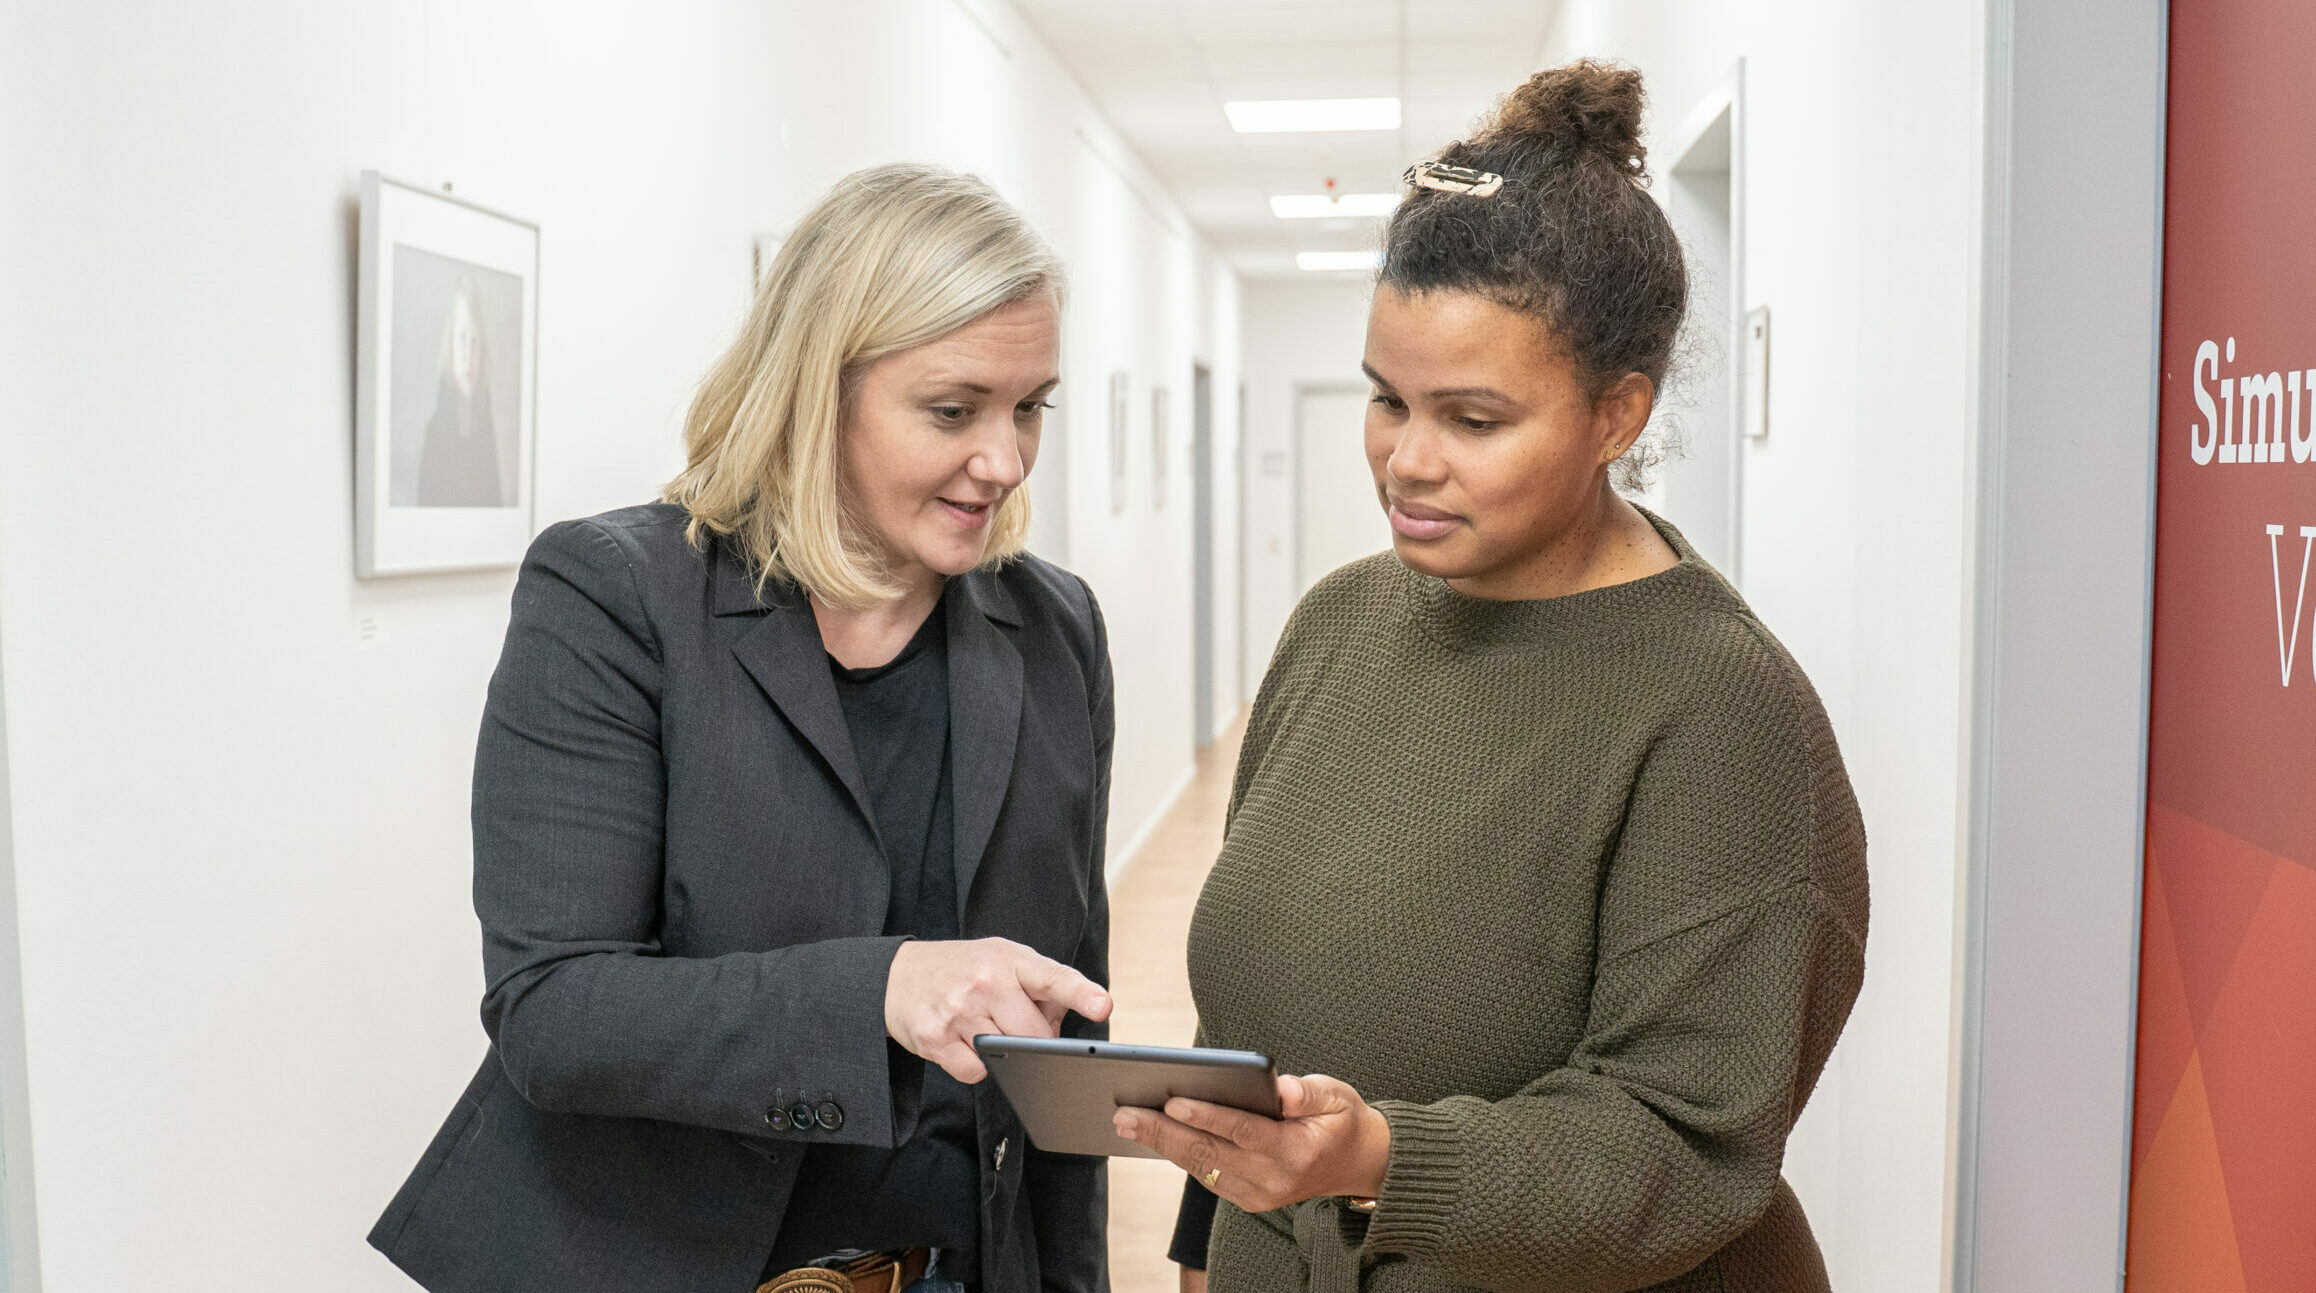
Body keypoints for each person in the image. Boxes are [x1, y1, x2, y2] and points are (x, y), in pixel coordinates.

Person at [1120, 61, 1870, 1293]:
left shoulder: (1723, 710)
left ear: (1615, 414)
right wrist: (1208, 1249)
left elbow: (1684, 1140)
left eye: (1472, 420)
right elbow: (1250, 1011)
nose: (1407, 461)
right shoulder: (1341, 621)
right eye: (1385, 400)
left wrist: (1378, 1157)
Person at [369, 163, 1114, 1293]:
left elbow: (1067, 1040)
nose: (1003, 462)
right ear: (821, 389)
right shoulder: (618, 598)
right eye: (953, 410)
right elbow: (554, 1008)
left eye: (1031, 409)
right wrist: (880, 990)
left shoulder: (1054, 627)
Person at [416, 274, 506, 506]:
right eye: (462, 339)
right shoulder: (435, 433)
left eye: (475, 342)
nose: (468, 356)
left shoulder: (486, 432)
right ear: (450, 345)